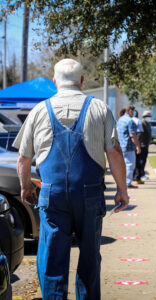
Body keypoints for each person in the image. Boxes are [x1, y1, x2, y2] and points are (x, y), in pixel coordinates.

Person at [13, 58, 129, 299]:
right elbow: (115, 153)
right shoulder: (99, 109)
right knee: (89, 259)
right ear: (82, 81)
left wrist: (26, 187)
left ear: (55, 82)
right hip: (89, 194)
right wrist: (122, 190)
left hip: (52, 195)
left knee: (52, 259)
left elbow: (24, 158)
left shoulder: (39, 111)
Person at [117, 105, 141, 188]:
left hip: (121, 145)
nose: (134, 113)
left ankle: (121, 182)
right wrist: (138, 146)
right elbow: (132, 135)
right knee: (130, 165)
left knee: (121, 166)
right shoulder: (130, 121)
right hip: (129, 146)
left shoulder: (120, 119)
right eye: (133, 111)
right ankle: (128, 183)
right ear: (130, 111)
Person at [132, 110, 145, 184]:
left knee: (129, 163)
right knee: (137, 162)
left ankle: (131, 178)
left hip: (128, 144)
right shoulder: (138, 121)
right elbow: (140, 133)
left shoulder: (128, 120)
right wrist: (138, 145)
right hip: (136, 144)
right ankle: (137, 178)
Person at [139, 110, 152, 180]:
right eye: (148, 116)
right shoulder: (142, 123)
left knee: (144, 160)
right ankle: (141, 174)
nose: (149, 118)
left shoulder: (148, 123)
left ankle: (142, 173)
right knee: (142, 160)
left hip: (146, 145)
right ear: (144, 117)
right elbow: (140, 134)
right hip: (142, 145)